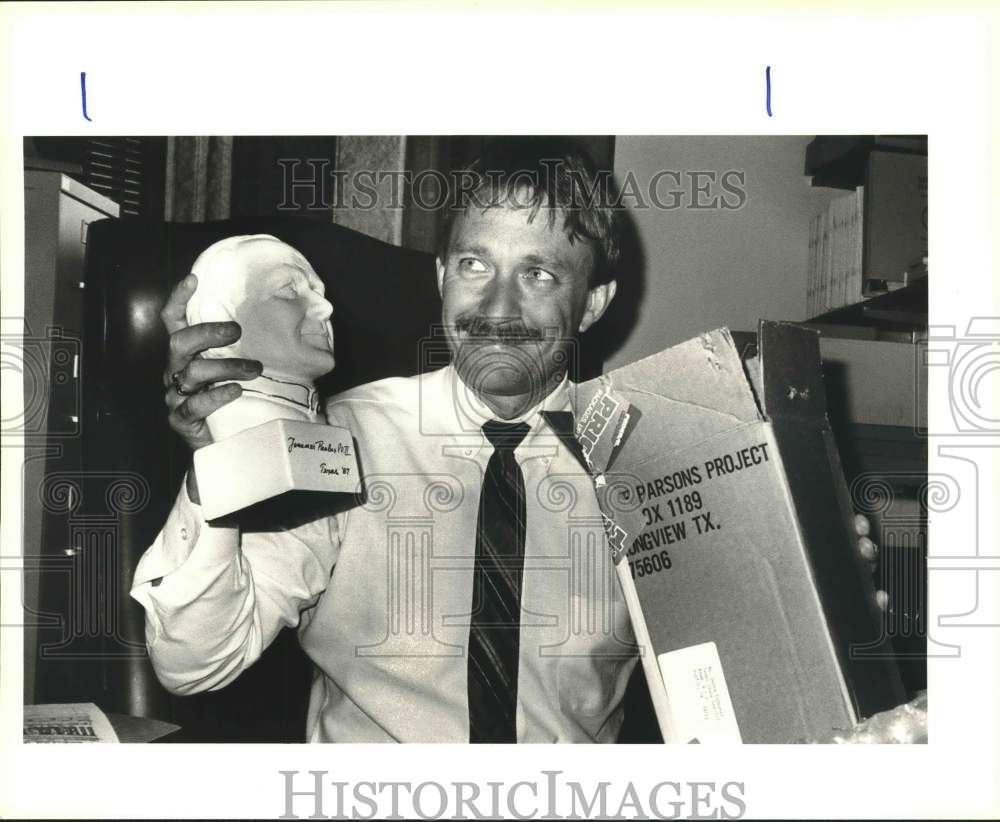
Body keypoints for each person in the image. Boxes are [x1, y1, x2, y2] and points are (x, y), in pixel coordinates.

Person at [131, 140, 885, 743]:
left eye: (539, 275)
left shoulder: (659, 462)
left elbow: (763, 687)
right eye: (473, 265)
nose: (496, 307)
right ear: (440, 277)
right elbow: (195, 665)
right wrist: (221, 464)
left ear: (593, 304)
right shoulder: (337, 438)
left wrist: (814, 577)